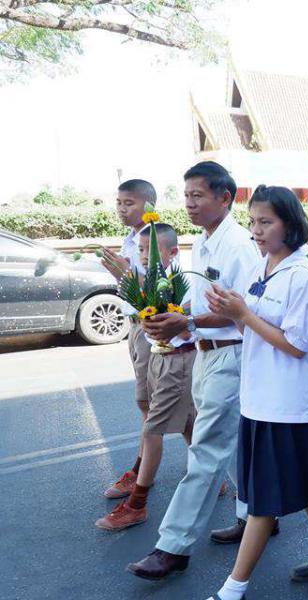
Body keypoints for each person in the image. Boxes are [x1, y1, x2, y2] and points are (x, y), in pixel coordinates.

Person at [199, 186, 308, 599]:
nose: (256, 230)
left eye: (266, 222)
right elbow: (248, 326)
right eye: (253, 221)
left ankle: (233, 589)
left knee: (263, 503)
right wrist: (229, 310)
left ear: (290, 224)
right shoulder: (261, 267)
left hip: (289, 403)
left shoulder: (301, 277)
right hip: (260, 398)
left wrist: (243, 314)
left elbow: (296, 344)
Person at [128, 161, 261, 581]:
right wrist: (175, 316)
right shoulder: (202, 242)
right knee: (230, 443)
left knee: (205, 450)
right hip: (205, 353)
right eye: (186, 195)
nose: (189, 203)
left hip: (231, 353)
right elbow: (204, 303)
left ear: (226, 198)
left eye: (198, 195)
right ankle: (256, 514)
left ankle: (173, 545)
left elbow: (243, 311)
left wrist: (185, 321)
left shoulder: (238, 246)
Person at [96, 223, 197, 531]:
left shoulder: (178, 282)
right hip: (159, 356)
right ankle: (209, 473)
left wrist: (131, 279)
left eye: (149, 250)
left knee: (153, 429)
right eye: (140, 250)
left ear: (173, 252)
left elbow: (182, 324)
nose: (143, 255)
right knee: (188, 423)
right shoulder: (152, 280)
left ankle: (137, 504)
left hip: (178, 359)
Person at [100, 179, 155, 500]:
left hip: (150, 327)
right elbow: (130, 288)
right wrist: (119, 274)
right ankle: (209, 472)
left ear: (149, 205)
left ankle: (139, 475)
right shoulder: (131, 238)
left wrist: (126, 274)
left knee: (150, 405)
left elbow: (160, 290)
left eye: (129, 203)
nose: (121, 209)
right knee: (163, 408)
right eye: (119, 202)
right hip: (134, 325)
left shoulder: (154, 239)